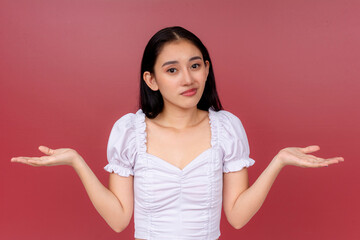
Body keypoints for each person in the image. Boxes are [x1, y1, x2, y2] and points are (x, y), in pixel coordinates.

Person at [11, 26, 344, 240]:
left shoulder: (227, 128)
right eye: (172, 70)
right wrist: (76, 162)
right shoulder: (129, 131)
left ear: (207, 68)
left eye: (195, 65)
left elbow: (237, 217)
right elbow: (118, 220)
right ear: (151, 80)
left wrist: (279, 162)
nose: (188, 79)